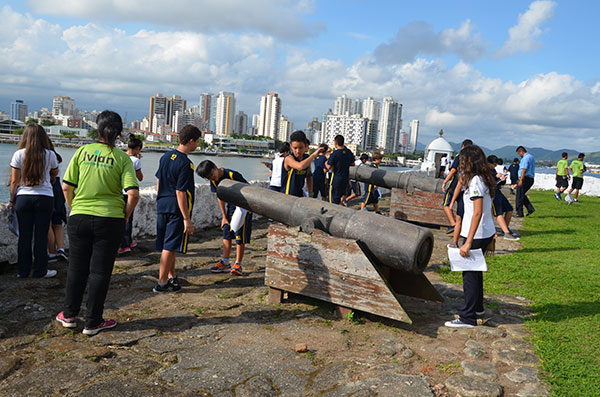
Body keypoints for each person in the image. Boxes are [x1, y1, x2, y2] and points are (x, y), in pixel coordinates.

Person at [56, 111, 139, 335]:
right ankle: (93, 322)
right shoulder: (122, 158)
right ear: (119, 133)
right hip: (110, 219)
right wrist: (125, 215)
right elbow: (133, 194)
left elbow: (66, 187)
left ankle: (69, 315)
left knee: (77, 268)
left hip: (80, 217)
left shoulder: (83, 152)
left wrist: (75, 208)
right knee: (100, 272)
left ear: (98, 129)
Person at [445, 145, 496, 328]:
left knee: (470, 276)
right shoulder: (484, 178)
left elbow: (477, 213)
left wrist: (467, 243)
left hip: (476, 234)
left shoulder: (475, 182)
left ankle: (468, 317)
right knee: (476, 272)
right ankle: (478, 308)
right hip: (484, 231)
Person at [154, 125, 201, 292]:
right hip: (176, 208)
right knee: (169, 246)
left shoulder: (165, 157)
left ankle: (171, 276)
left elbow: (159, 181)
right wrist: (186, 218)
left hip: (162, 204)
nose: (197, 145)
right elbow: (180, 191)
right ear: (190, 141)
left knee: (169, 245)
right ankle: (161, 283)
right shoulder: (186, 164)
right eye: (197, 142)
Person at [9, 124, 59, 278]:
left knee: (24, 236)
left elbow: (14, 181)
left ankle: (22, 271)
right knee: (41, 235)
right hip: (44, 198)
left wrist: (12, 200)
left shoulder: (18, 154)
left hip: (23, 197)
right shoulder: (50, 154)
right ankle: (40, 271)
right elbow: (55, 172)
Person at [197, 160, 252, 276]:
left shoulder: (232, 175)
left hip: (242, 207)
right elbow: (220, 197)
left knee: (239, 236)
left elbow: (248, 188)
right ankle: (225, 262)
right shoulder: (214, 181)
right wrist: (224, 216)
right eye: (208, 178)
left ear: (215, 167)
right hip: (230, 207)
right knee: (226, 233)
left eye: (212, 175)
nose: (212, 179)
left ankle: (238, 264)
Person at [118, 134, 144, 254]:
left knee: (119, 218)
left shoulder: (120, 157)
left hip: (119, 192)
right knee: (129, 218)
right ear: (138, 148)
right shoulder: (135, 161)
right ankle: (126, 244)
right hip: (131, 192)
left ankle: (122, 243)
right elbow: (140, 178)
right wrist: (138, 160)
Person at [442, 139, 472, 234]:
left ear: (463, 146)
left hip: (456, 183)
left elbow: (453, 170)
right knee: (461, 207)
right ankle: (460, 226)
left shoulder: (459, 156)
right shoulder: (471, 159)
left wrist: (445, 182)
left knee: (446, 204)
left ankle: (453, 224)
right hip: (466, 185)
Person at [281, 131, 322, 197]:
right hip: (287, 196)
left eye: (300, 148)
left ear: (305, 146)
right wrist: (313, 155)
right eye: (295, 148)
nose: (297, 151)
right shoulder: (288, 158)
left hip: (299, 194)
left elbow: (309, 176)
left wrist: (310, 193)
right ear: (291, 146)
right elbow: (300, 166)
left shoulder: (306, 158)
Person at [487, 156, 519, 241]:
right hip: (492, 193)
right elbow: (488, 182)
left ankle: (505, 228)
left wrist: (503, 179)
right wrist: (496, 177)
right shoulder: (485, 171)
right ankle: (506, 233)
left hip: (497, 191)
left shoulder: (493, 170)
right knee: (498, 212)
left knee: (509, 209)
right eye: (494, 165)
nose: (495, 166)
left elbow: (498, 182)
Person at [47, 140, 68, 263]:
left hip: (49, 189)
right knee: (58, 222)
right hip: (58, 190)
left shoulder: (45, 157)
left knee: (48, 223)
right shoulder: (57, 158)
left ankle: (52, 253)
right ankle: (61, 249)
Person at [326, 135, 355, 205]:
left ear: (335, 143)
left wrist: (326, 161)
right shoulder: (348, 152)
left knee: (333, 199)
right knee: (342, 197)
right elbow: (353, 163)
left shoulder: (334, 154)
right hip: (345, 178)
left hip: (336, 179)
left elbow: (328, 167)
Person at [514, 146, 535, 217]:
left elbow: (524, 169)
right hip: (530, 178)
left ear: (521, 152)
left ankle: (519, 212)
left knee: (519, 195)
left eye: (519, 154)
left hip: (525, 178)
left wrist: (521, 180)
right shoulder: (531, 157)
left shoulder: (525, 158)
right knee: (522, 194)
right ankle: (530, 208)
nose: (519, 156)